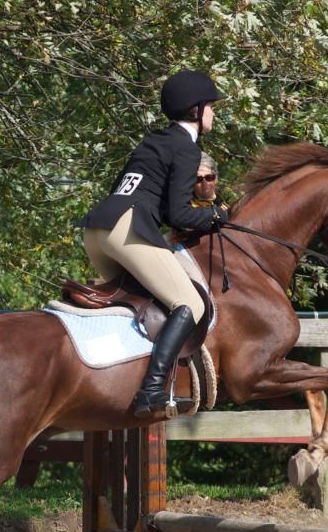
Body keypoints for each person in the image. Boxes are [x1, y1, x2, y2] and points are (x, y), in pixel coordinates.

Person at [77, 70, 230, 418]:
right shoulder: (187, 148)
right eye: (211, 106)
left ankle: (111, 379)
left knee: (140, 305)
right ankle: (150, 390)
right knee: (190, 303)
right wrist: (215, 217)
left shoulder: (154, 141)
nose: (213, 113)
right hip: (127, 230)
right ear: (195, 109)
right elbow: (178, 214)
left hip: (97, 231)